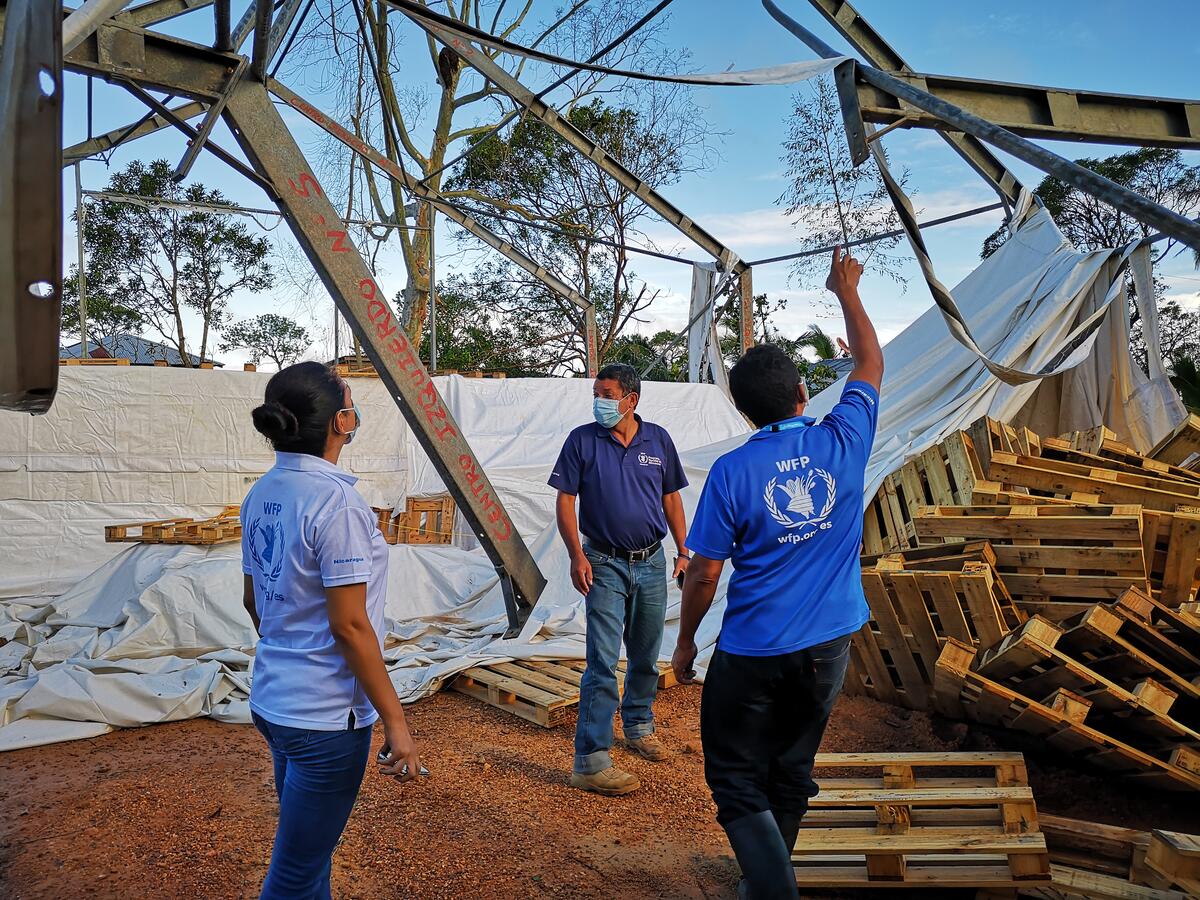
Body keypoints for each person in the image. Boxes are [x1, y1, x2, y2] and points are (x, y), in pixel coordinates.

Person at [672, 248, 883, 899]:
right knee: (791, 768)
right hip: (829, 645)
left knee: (734, 774)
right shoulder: (843, 439)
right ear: (800, 395)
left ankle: (770, 887)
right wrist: (845, 289)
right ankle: (768, 877)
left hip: (754, 649)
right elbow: (872, 364)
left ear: (744, 413)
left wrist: (684, 646)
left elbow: (704, 575)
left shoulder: (733, 471)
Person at [241, 361, 421, 899]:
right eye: (350, 397)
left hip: (275, 702)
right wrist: (396, 721)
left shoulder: (263, 493)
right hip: (324, 719)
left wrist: (292, 649)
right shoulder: (337, 503)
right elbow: (349, 625)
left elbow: (255, 600)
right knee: (295, 874)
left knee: (309, 859)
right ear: (342, 421)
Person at [550, 363, 691, 796]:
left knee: (647, 654)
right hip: (603, 562)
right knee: (603, 660)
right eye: (597, 393)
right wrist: (577, 555)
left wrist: (684, 552)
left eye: (607, 393)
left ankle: (638, 725)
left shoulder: (658, 440)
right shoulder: (582, 440)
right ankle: (590, 760)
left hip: (650, 562)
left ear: (631, 399)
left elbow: (671, 498)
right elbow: (565, 501)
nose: (600, 401)